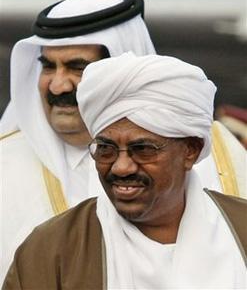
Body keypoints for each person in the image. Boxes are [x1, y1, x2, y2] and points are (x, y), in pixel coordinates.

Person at [3, 53, 246, 289]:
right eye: (106, 149)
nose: (121, 167)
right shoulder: (52, 250)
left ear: (191, 150)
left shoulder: (240, 229)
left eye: (142, 149)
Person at [0, 0, 156, 283]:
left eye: (77, 67)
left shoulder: (199, 157)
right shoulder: (4, 166)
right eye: (48, 66)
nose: (58, 85)